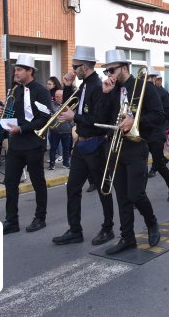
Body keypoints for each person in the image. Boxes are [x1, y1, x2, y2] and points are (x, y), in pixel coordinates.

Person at [51, 46, 115, 246]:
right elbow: (73, 105)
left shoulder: (97, 86)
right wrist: (69, 87)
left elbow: (97, 119)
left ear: (84, 67)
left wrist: (74, 117)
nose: (72, 69)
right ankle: (75, 230)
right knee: (73, 188)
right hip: (81, 143)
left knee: (103, 189)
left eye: (75, 66)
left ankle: (108, 228)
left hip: (96, 144)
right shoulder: (84, 85)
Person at [100, 49, 162, 255]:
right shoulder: (112, 90)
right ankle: (127, 237)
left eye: (112, 70)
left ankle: (151, 222)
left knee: (136, 194)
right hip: (116, 146)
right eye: (107, 71)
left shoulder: (143, 87)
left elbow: (159, 116)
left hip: (136, 145)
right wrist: (106, 95)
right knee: (122, 196)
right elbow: (102, 117)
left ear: (124, 68)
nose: (109, 74)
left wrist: (135, 121)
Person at [1, 54, 52, 235]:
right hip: (16, 144)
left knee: (38, 181)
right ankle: (11, 220)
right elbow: (13, 114)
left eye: (20, 69)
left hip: (33, 143)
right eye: (16, 69)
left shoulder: (41, 91)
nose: (16, 72)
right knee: (10, 182)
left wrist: (22, 129)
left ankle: (40, 217)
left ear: (30, 71)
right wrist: (4, 113)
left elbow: (45, 117)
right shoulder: (15, 90)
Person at [146, 69, 169, 201]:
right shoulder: (141, 91)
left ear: (156, 78)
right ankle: (139, 196)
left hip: (156, 131)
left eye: (151, 77)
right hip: (143, 132)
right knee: (140, 165)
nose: (149, 79)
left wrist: (153, 116)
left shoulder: (163, 93)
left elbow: (166, 112)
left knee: (159, 164)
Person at [48, 89, 73, 170]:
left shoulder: (68, 105)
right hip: (55, 130)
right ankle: (52, 164)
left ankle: (66, 163)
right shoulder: (51, 105)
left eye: (58, 97)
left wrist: (70, 125)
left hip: (66, 130)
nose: (57, 98)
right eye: (56, 96)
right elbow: (50, 115)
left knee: (66, 148)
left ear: (63, 97)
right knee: (53, 148)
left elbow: (73, 118)